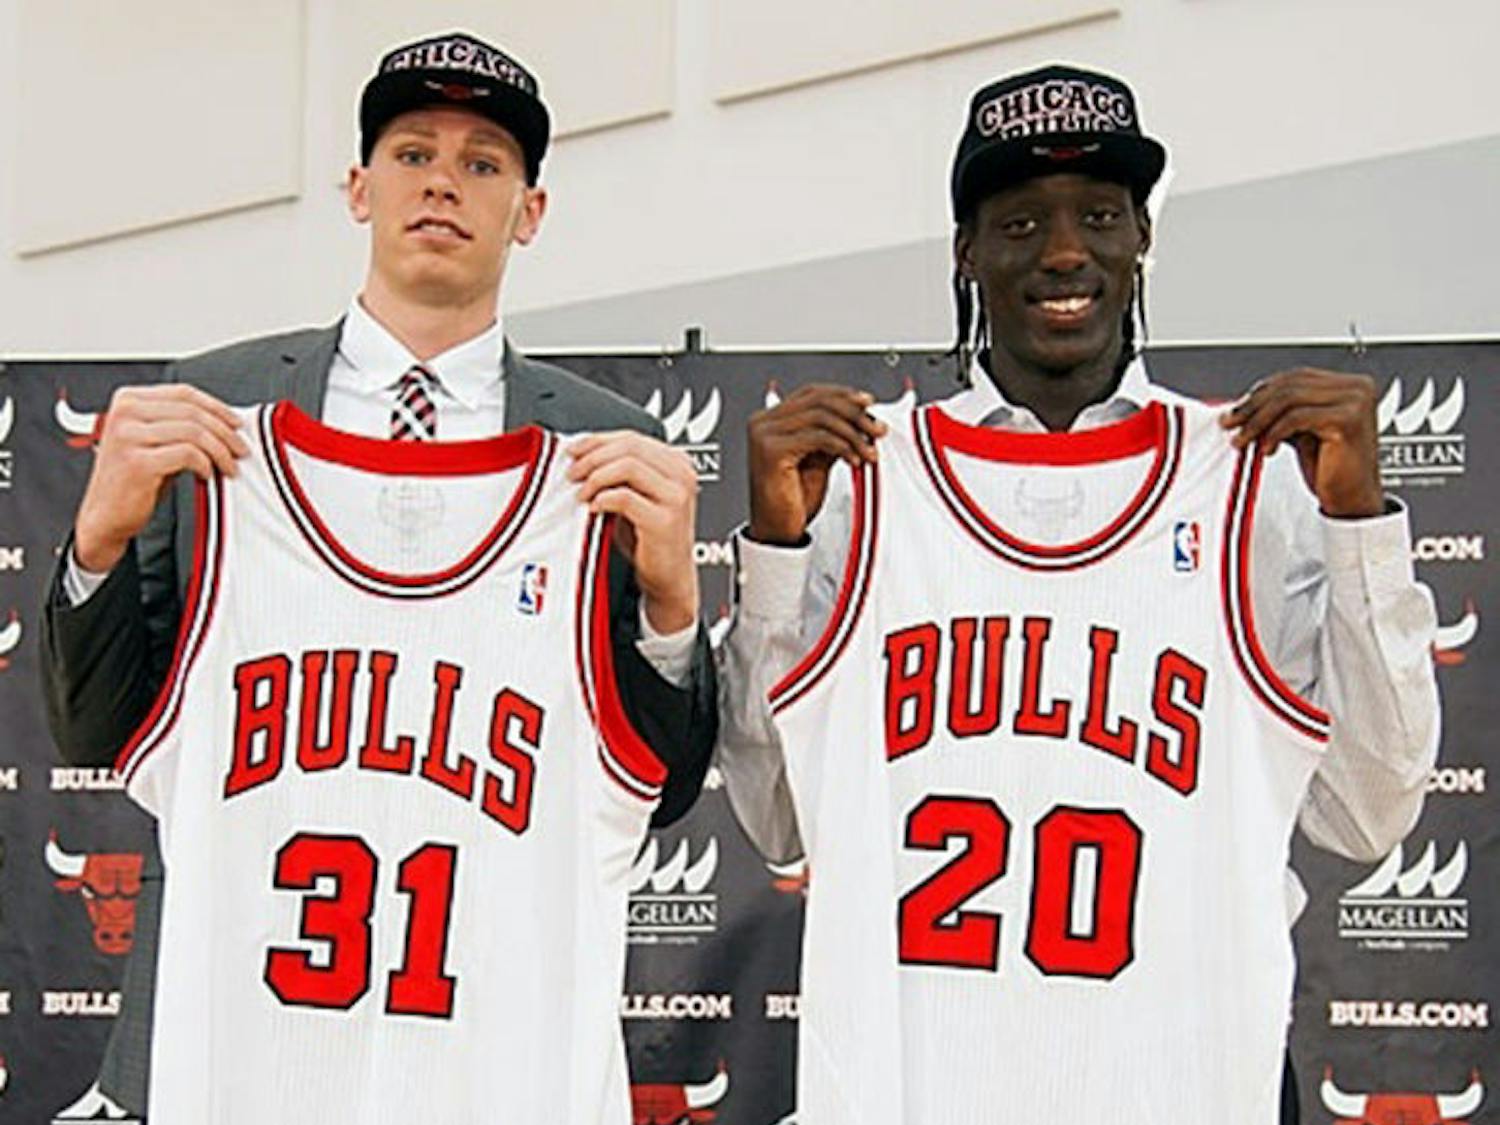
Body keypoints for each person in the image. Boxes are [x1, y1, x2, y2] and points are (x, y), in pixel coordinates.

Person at [717, 64, 1438, 1123]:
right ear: (966, 252)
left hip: (1185, 1088)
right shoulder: (867, 487)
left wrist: (1360, 528)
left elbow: (1369, 811)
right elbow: (782, 822)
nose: (1064, 252)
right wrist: (774, 551)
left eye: (1098, 215)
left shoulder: (1253, 480)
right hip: (928, 1087)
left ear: (1142, 237)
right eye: (1019, 223)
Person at [39, 31, 715, 1117]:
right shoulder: (216, 410)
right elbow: (95, 733)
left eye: (484, 163)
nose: (444, 180)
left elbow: (660, 785)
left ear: (528, 212)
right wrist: (97, 548)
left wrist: (677, 611)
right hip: (243, 1050)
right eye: (411, 153)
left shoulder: (607, 454)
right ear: (358, 189)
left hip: (483, 1056)